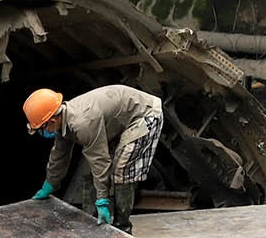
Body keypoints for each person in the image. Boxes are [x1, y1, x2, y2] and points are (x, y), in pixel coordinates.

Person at [23, 85, 163, 227]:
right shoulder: (63, 121)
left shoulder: (83, 123)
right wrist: (50, 184)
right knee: (102, 167)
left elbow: (100, 160)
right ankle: (103, 215)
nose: (43, 133)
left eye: (41, 129)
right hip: (122, 118)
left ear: (52, 121)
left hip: (145, 115)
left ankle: (122, 225)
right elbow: (59, 155)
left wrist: (102, 200)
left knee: (122, 170)